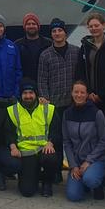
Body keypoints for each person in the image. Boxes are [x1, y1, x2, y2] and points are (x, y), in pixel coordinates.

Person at [37, 17, 79, 181]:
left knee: (73, 137)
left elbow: (81, 76)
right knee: (55, 138)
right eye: (54, 31)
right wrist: (45, 98)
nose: (57, 33)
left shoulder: (76, 51)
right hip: (53, 104)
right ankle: (55, 171)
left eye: (60, 30)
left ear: (65, 33)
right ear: (51, 34)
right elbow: (41, 79)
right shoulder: (45, 55)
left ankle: (74, 170)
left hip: (72, 103)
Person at [7, 78, 60, 197]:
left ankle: (47, 182)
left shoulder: (47, 108)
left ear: (36, 94)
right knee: (27, 191)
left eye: (31, 93)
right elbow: (9, 133)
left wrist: (50, 143)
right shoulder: (13, 111)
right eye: (25, 93)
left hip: (44, 149)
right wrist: (13, 147)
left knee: (50, 158)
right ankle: (34, 175)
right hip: (25, 153)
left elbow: (56, 130)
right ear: (20, 95)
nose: (28, 96)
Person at [62, 79, 105, 201]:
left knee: (90, 179)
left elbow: (104, 141)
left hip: (95, 160)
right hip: (77, 161)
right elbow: (66, 142)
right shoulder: (67, 114)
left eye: (82, 92)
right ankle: (83, 184)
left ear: (87, 94)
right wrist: (73, 165)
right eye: (76, 92)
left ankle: (97, 183)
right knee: (73, 196)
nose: (79, 95)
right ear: (72, 93)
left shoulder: (97, 113)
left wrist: (89, 161)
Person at [75, 13, 105, 122]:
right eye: (91, 26)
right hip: (89, 98)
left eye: (96, 25)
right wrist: (87, 92)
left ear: (104, 26)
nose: (94, 28)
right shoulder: (85, 47)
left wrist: (102, 94)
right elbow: (80, 71)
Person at [14, 12, 51, 81]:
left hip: (44, 82)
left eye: (34, 24)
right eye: (28, 24)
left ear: (38, 26)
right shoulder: (17, 44)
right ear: (24, 27)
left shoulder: (48, 43)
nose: (31, 26)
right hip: (25, 83)